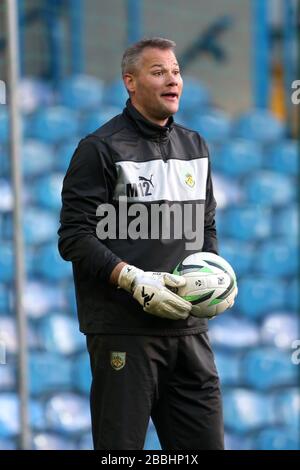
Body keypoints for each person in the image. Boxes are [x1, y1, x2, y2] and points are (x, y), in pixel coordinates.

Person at [58, 37, 224, 450]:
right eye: (159, 72)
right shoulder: (99, 148)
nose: (173, 80)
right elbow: (74, 237)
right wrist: (132, 280)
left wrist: (217, 277)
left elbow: (205, 225)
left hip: (189, 331)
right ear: (130, 82)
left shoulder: (195, 145)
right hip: (124, 332)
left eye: (177, 71)